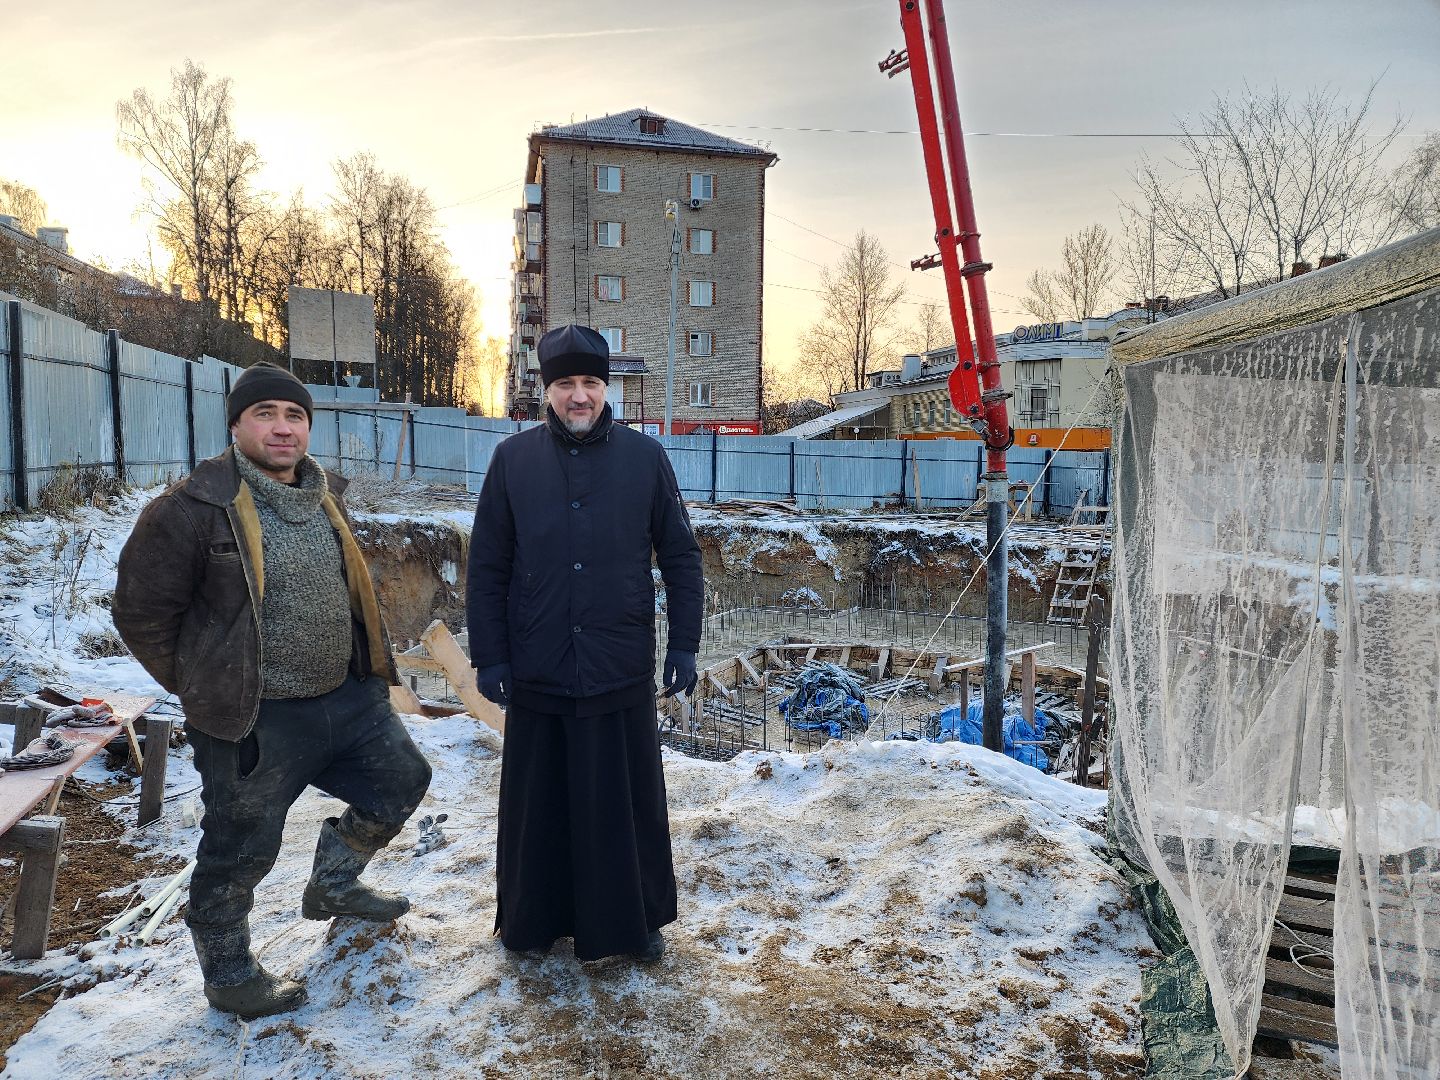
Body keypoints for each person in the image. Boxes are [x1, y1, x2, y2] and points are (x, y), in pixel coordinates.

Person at [112, 362, 432, 1020]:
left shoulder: (323, 497)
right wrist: (205, 686)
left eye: (294, 415)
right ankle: (229, 974)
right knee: (239, 848)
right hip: (256, 720)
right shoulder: (190, 510)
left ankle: (334, 883)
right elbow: (141, 615)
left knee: (402, 781)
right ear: (235, 425)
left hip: (346, 700)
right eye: (265, 414)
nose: (282, 428)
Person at [467, 324, 702, 964]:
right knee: (539, 809)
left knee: (620, 809)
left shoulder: (644, 459)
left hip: (616, 666)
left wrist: (684, 643)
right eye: (565, 384)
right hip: (540, 665)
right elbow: (487, 566)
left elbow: (681, 557)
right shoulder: (513, 462)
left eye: (590, 383)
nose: (579, 396)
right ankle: (533, 923)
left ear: (607, 389)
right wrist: (490, 655)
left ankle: (633, 923)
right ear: (546, 390)